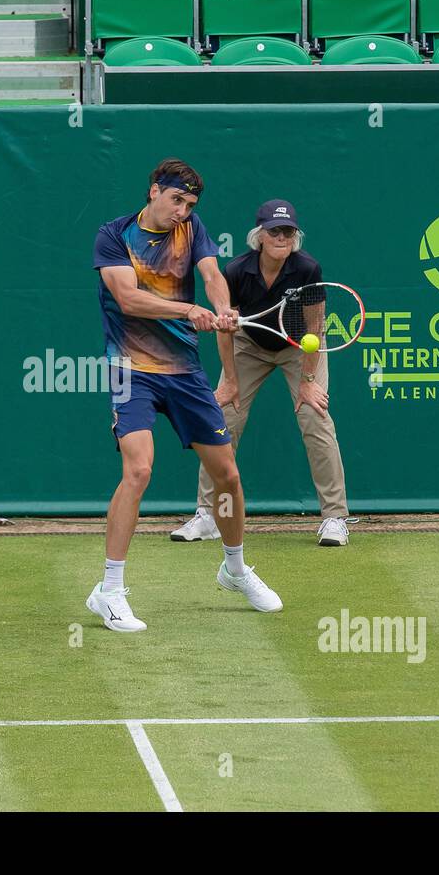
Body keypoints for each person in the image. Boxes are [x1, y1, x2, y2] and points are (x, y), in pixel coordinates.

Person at [86, 159, 283, 633]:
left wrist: (221, 308)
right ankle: (109, 589)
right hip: (130, 368)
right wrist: (187, 308)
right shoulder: (113, 236)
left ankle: (235, 569)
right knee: (138, 468)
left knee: (227, 475)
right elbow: (129, 299)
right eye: (176, 200)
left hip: (185, 372)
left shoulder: (191, 228)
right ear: (154, 190)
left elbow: (213, 275)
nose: (182, 210)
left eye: (190, 204)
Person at [171, 200, 351, 546]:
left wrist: (309, 382)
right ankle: (207, 515)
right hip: (247, 344)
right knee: (221, 418)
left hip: (300, 347)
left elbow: (315, 326)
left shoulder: (308, 269)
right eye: (274, 231)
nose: (281, 237)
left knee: (315, 417)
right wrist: (231, 382)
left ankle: (334, 518)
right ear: (260, 236)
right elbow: (226, 330)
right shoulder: (237, 270)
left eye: (288, 231)